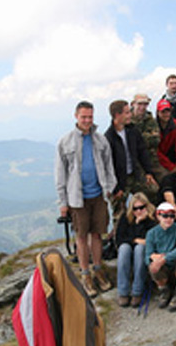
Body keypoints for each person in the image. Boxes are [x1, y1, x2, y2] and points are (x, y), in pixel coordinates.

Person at [55, 100, 116, 298]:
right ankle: (85, 275)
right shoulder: (65, 141)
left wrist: (110, 187)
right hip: (76, 198)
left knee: (98, 234)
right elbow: (60, 174)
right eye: (84, 117)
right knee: (81, 238)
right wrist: (63, 203)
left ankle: (98, 270)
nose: (87, 120)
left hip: (98, 195)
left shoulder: (100, 140)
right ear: (76, 116)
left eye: (90, 116)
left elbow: (109, 166)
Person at [104, 99, 158, 224]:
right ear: (118, 115)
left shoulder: (132, 130)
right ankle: (120, 239)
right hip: (118, 180)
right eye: (127, 113)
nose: (130, 115)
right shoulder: (108, 137)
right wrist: (115, 188)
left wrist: (148, 173)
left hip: (135, 174)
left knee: (153, 191)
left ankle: (150, 229)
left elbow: (142, 151)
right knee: (119, 213)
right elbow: (108, 166)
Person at [145, 202, 176, 311]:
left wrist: (164, 258)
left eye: (171, 216)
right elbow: (147, 255)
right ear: (158, 216)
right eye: (165, 216)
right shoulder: (151, 233)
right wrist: (154, 258)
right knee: (152, 264)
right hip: (163, 269)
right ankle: (163, 290)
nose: (168, 219)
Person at [115, 193, 157, 307]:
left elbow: (152, 238)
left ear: (146, 207)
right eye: (135, 208)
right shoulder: (125, 218)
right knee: (124, 249)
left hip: (143, 250)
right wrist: (135, 239)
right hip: (128, 246)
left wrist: (141, 223)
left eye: (141, 208)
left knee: (140, 249)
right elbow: (120, 239)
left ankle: (137, 291)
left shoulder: (152, 220)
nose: (138, 211)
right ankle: (123, 292)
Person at [131, 93, 165, 182]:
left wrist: (138, 140)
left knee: (165, 180)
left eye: (145, 104)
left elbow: (156, 139)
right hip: (134, 161)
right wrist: (146, 137)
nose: (142, 107)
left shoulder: (151, 120)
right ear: (133, 104)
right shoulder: (127, 120)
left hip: (151, 159)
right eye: (139, 104)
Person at [156, 98, 176, 175]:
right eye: (163, 112)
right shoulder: (153, 126)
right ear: (158, 113)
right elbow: (156, 151)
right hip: (157, 159)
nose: (166, 114)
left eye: (168, 111)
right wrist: (171, 167)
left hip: (171, 156)